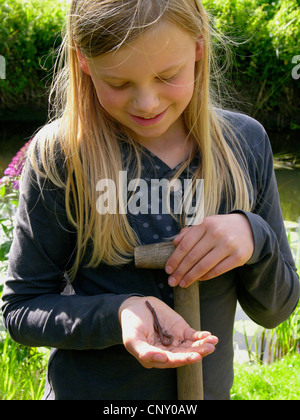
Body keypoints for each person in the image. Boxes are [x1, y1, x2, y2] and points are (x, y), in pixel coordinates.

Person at [1, 0, 299, 400]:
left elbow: (276, 310)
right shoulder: (61, 155)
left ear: (198, 46)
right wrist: (117, 314)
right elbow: (21, 310)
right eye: (120, 83)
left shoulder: (244, 144)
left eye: (167, 75)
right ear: (84, 62)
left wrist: (255, 237)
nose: (147, 103)